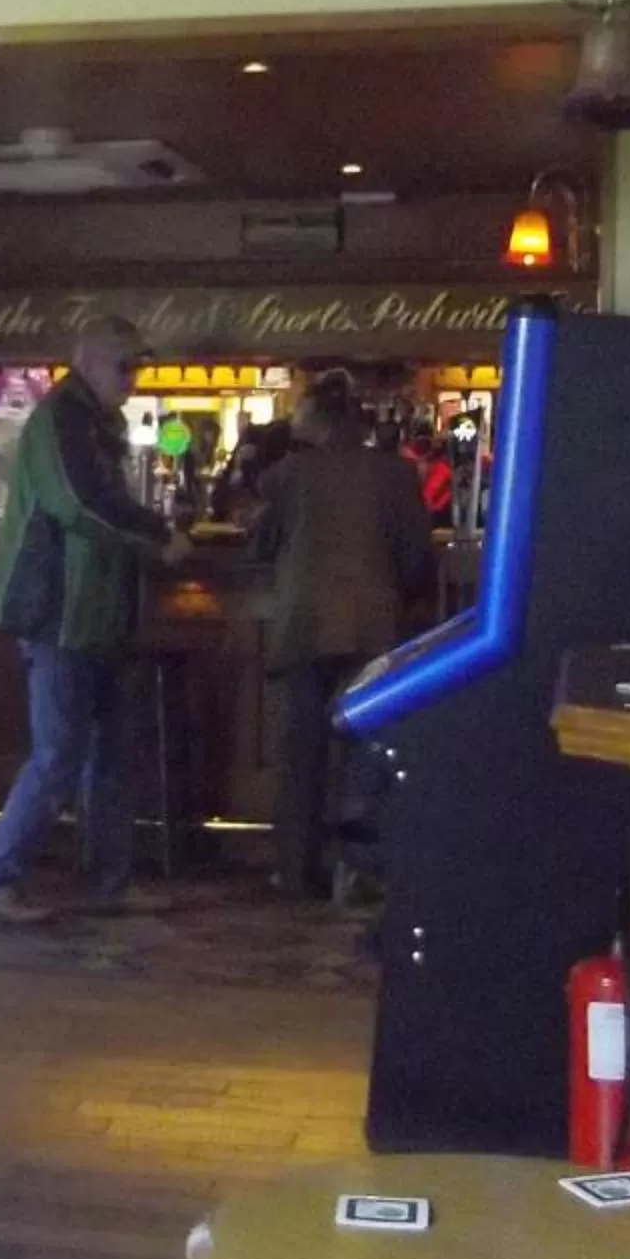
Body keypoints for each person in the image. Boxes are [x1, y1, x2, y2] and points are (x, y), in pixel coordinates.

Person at [0, 317, 188, 925]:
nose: (133, 379)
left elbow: (92, 505)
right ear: (87, 360)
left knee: (107, 753)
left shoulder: (88, 420)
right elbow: (78, 505)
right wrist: (157, 534)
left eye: (137, 367)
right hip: (60, 611)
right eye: (124, 366)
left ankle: (107, 882)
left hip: (94, 612)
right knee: (60, 756)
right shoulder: (63, 418)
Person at [252, 370, 438, 897]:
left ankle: (294, 870)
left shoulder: (287, 475)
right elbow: (417, 559)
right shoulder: (395, 475)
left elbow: (259, 546)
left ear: (317, 417)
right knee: (366, 750)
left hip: (305, 624)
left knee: (304, 751)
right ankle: (357, 871)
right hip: (373, 625)